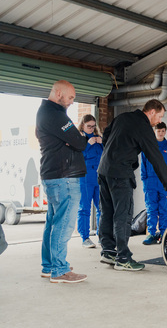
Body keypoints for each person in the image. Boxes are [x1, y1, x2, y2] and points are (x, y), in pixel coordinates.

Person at [97, 99, 167, 272]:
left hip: (104, 170)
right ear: (151, 112)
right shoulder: (143, 127)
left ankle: (108, 251)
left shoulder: (123, 117)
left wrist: (112, 155)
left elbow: (106, 134)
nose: (159, 121)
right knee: (123, 215)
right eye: (160, 116)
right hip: (120, 174)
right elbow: (156, 157)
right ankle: (123, 258)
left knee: (107, 211)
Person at [36, 80, 88, 283]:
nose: (72, 102)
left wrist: (73, 139)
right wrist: (76, 138)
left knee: (53, 222)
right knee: (64, 223)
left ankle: (49, 266)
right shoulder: (55, 115)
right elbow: (80, 142)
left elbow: (74, 140)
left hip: (54, 176)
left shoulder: (45, 113)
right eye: (70, 98)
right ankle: (60, 270)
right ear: (58, 93)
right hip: (63, 178)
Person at [141, 122, 167, 245]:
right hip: (150, 182)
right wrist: (145, 181)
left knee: (164, 209)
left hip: (165, 184)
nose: (160, 133)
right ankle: (151, 234)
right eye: (158, 131)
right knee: (151, 209)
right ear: (154, 131)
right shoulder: (148, 147)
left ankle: (163, 233)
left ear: (165, 131)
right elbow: (143, 167)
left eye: (162, 131)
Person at [77, 114, 103, 249]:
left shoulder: (98, 139)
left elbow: (106, 155)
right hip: (85, 177)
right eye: (89, 126)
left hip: (99, 177)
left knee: (101, 208)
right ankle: (85, 238)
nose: (92, 129)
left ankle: (101, 236)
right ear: (83, 125)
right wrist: (87, 145)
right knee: (84, 208)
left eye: (93, 126)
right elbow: (77, 158)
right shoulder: (79, 139)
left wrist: (102, 142)